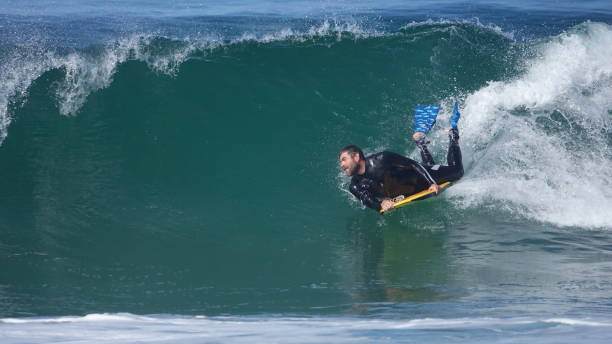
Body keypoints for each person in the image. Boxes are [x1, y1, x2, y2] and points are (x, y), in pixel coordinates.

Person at [338, 109, 463, 212]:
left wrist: (431, 183)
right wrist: (381, 204)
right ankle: (422, 144)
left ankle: (453, 136)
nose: (342, 165)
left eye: (344, 159)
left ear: (356, 157)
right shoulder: (355, 186)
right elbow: (370, 202)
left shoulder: (382, 159)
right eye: (340, 162)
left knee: (457, 171)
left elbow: (413, 165)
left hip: (420, 180)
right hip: (406, 190)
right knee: (430, 165)